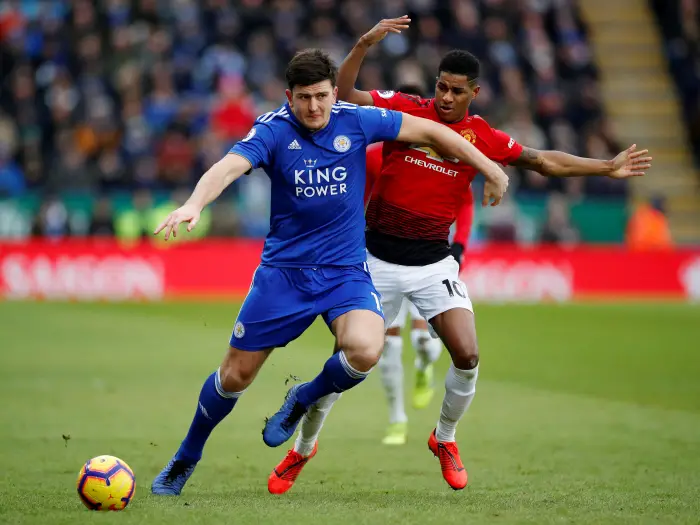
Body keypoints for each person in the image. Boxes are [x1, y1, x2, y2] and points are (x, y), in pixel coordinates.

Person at [266, 17, 653, 494]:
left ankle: (444, 438)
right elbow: (345, 96)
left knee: (467, 354)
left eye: (456, 91)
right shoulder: (407, 111)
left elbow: (542, 160)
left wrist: (606, 167)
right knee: (346, 363)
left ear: (474, 92)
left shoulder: (483, 137)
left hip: (433, 265)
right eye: (441, 88)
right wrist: (364, 43)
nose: (445, 98)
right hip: (374, 262)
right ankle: (302, 450)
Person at [150, 48, 510, 496]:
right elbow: (228, 168)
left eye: (322, 96)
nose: (314, 107)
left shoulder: (356, 119)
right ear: (289, 96)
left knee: (365, 348)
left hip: (345, 273)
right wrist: (193, 203)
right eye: (304, 98)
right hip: (284, 274)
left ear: (334, 93)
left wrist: (490, 168)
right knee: (234, 377)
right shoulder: (274, 130)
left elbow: (434, 131)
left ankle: (302, 397)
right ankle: (186, 457)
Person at [365, 85, 475, 446]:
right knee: (389, 343)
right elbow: (363, 197)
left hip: (430, 259)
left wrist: (459, 245)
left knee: (426, 343)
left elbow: (465, 201)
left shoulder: (447, 149)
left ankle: (427, 366)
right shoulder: (377, 155)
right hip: (384, 256)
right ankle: (396, 417)